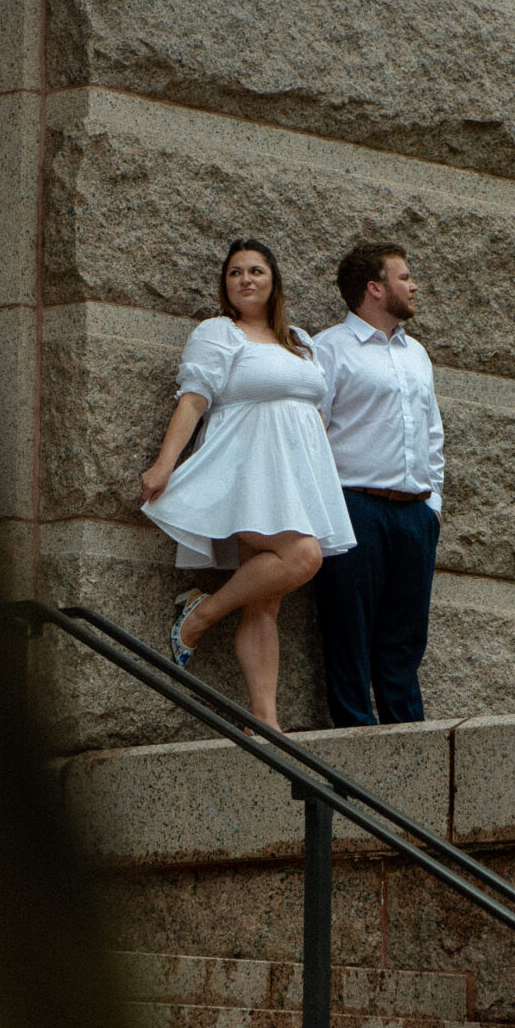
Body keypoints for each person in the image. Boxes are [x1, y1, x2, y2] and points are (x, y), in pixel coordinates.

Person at [139, 238, 354, 729]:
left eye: (255, 270)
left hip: (293, 477)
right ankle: (199, 616)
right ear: (225, 285)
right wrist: (164, 464)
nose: (245, 279)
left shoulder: (299, 340)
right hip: (248, 472)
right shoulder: (219, 332)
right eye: (235, 272)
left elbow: (314, 412)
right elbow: (193, 398)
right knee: (302, 557)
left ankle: (265, 723)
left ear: (273, 279)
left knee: (266, 603)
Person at [311, 241, 445, 726]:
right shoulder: (328, 348)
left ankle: (410, 749)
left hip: (415, 514)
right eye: (404, 277)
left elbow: (433, 433)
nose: (413, 285)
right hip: (355, 508)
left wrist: (434, 508)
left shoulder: (418, 354)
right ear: (375, 288)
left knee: (405, 644)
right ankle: (356, 751)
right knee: (349, 636)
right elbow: (313, 435)